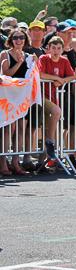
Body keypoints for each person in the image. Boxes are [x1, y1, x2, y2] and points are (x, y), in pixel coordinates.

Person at [0, 29, 34, 175]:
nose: (18, 40)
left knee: (21, 129)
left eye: (21, 37)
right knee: (8, 130)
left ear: (25, 40)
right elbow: (7, 74)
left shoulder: (29, 56)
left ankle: (15, 163)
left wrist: (34, 64)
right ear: (11, 40)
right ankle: (3, 163)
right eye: (15, 38)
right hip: (7, 97)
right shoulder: (4, 54)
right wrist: (19, 63)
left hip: (22, 98)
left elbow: (31, 76)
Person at [38, 36, 76, 162]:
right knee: (56, 112)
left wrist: (63, 80)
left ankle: (43, 161)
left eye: (59, 48)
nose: (56, 51)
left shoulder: (64, 61)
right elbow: (40, 74)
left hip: (55, 96)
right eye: (53, 48)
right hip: (41, 95)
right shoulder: (43, 58)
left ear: (62, 49)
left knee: (49, 125)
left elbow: (72, 76)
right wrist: (57, 78)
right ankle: (50, 142)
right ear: (48, 48)